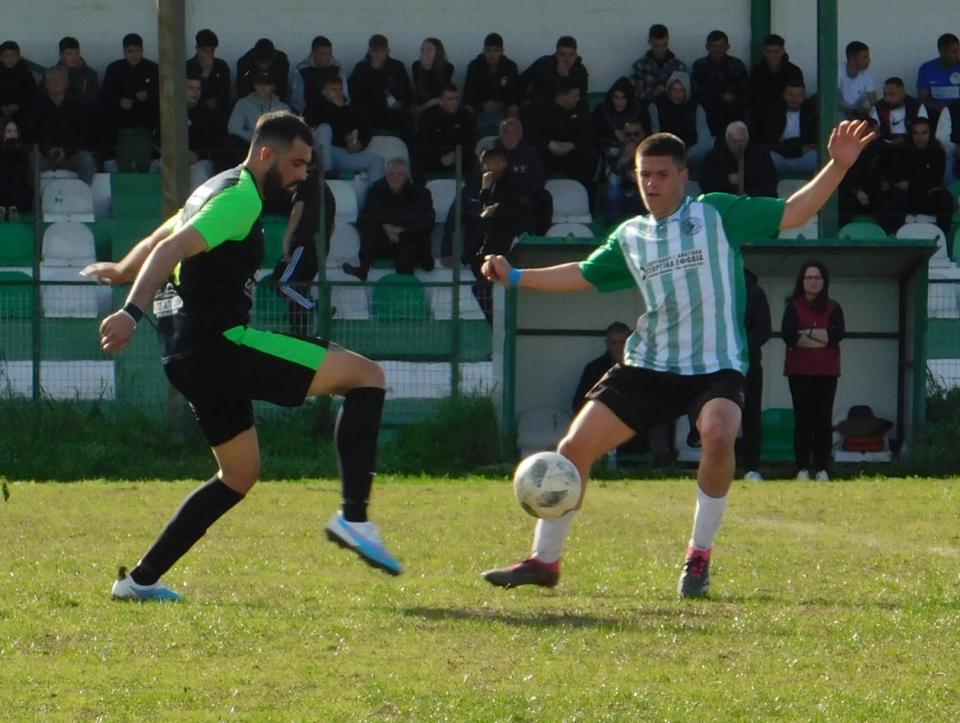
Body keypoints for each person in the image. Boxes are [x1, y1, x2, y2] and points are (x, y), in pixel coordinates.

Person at [479, 120, 875, 598]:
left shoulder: (715, 214)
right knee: (573, 450)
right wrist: (516, 277)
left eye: (662, 174)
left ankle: (698, 557)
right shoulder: (631, 235)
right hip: (649, 364)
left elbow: (794, 212)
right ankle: (545, 560)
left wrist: (839, 165)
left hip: (715, 364)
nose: (650, 183)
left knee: (720, 431)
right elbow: (584, 275)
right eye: (644, 174)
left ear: (683, 177)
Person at [81, 111, 401, 602]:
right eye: (296, 164)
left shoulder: (210, 189)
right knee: (367, 376)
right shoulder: (240, 197)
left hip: (187, 358)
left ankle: (139, 581)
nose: (301, 176)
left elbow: (159, 240)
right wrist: (128, 311)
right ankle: (354, 518)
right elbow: (169, 252)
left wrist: (122, 268)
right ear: (266, 154)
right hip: (220, 345)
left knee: (239, 474)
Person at [781, 261, 845, 482]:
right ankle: (801, 467)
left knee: (823, 420)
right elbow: (789, 335)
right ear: (802, 280)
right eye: (809, 277)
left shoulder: (834, 307)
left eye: (817, 277)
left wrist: (806, 334)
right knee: (803, 420)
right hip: (799, 372)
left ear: (824, 281)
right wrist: (821, 335)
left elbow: (837, 335)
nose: (813, 281)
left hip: (827, 372)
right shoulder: (793, 307)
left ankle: (822, 468)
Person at [343, 157, 435, 280]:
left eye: (400, 174)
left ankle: (405, 291)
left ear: (407, 175)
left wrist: (401, 231)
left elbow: (427, 221)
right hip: (384, 240)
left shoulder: (421, 193)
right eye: (391, 173)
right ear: (385, 175)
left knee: (407, 251)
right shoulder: (376, 191)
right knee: (370, 232)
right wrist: (385, 227)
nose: (395, 178)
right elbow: (364, 220)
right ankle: (363, 270)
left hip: (410, 240)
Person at [278, 157, 336, 335]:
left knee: (282, 284)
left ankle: (316, 307)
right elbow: (332, 225)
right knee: (299, 289)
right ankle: (300, 333)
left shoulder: (306, 180)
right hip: (319, 246)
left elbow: (298, 209)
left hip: (305, 243)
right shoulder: (325, 189)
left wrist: (287, 240)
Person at [22, 65, 97, 184]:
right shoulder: (36, 106)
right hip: (45, 155)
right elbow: (30, 134)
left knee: (86, 159)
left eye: (59, 79)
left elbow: (83, 133)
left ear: (66, 83)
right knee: (33, 158)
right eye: (51, 80)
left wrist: (66, 152)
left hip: (72, 155)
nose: (55, 83)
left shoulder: (78, 105)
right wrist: (47, 151)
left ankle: (85, 196)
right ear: (46, 84)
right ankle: (36, 200)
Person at [522, 78, 597, 195]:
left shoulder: (581, 109)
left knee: (589, 157)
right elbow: (529, 133)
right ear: (562, 96)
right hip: (546, 153)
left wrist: (573, 144)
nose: (577, 99)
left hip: (572, 152)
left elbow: (589, 132)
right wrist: (549, 144)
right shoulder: (539, 110)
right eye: (574, 96)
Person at [309, 74, 384, 186]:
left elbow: (365, 128)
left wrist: (359, 144)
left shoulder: (348, 110)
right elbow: (314, 123)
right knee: (325, 129)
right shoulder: (313, 107)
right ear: (324, 92)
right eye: (333, 90)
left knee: (376, 160)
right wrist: (334, 108)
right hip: (318, 155)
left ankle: (374, 198)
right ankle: (325, 173)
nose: (338, 93)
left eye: (340, 89)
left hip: (341, 153)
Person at [886, 117, 955, 235]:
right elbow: (898, 179)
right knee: (893, 197)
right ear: (911, 135)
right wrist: (919, 180)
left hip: (928, 196)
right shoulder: (902, 152)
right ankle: (895, 236)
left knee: (944, 199)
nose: (920, 137)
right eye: (916, 133)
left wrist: (912, 183)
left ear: (930, 134)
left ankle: (943, 237)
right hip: (907, 197)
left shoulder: (937, 152)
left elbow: (935, 180)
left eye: (924, 133)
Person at [348, 34, 414, 141]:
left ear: (388, 50)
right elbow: (354, 94)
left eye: (382, 51)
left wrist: (400, 103)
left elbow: (408, 93)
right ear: (369, 51)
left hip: (393, 111)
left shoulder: (397, 67)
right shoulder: (361, 68)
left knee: (406, 118)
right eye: (375, 51)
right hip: (369, 111)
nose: (378, 54)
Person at [739, 269, 772, 480]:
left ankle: (751, 468)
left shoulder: (756, 292)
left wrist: (741, 349)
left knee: (751, 416)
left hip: (749, 363)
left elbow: (764, 329)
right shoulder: (713, 288)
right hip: (717, 364)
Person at [648, 71, 713, 172]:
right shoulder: (656, 106)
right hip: (666, 152)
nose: (677, 94)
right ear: (668, 89)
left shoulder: (696, 108)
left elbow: (704, 137)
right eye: (674, 90)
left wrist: (687, 155)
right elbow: (655, 135)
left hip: (690, 152)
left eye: (681, 90)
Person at [691, 30, 749, 138]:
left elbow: (746, 91)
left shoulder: (737, 65)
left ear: (727, 47)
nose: (717, 50)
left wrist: (734, 98)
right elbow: (697, 92)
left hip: (734, 115)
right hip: (708, 117)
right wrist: (719, 96)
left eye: (721, 46)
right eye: (713, 46)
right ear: (707, 47)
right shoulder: (700, 66)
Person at [700, 120, 778, 197]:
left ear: (747, 140)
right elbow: (706, 185)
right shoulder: (714, 157)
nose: (738, 145)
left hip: (754, 202)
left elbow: (770, 184)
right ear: (727, 140)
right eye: (733, 141)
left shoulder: (761, 155)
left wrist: (749, 194)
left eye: (741, 141)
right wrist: (727, 179)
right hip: (725, 202)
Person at [415, 83, 475, 180]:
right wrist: (440, 159)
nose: (455, 102)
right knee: (417, 164)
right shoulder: (428, 116)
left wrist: (456, 155)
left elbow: (470, 141)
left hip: (459, 157)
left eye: (457, 99)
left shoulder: (465, 115)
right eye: (450, 99)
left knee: (475, 163)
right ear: (440, 100)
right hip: (435, 157)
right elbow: (422, 144)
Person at [748, 34, 804, 137]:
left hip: (788, 113)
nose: (772, 55)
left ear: (783, 51)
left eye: (776, 51)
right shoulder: (757, 72)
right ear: (764, 52)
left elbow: (799, 96)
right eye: (768, 51)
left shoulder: (794, 71)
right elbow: (752, 97)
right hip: (762, 115)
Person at [762, 78, 818, 177]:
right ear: (784, 95)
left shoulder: (811, 112)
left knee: (819, 157)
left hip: (804, 157)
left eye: (798, 95)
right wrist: (796, 150)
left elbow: (813, 142)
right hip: (780, 156)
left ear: (804, 96)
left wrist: (799, 149)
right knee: (764, 158)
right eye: (790, 95)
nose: (794, 99)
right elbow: (769, 142)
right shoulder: (774, 111)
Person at [463, 33, 520, 128]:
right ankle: (469, 140)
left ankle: (511, 140)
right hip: (480, 106)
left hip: (502, 106)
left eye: (496, 51)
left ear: (502, 51)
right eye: (488, 50)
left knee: (513, 109)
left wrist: (501, 104)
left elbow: (514, 93)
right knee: (467, 109)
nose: (492, 55)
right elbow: (469, 93)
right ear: (483, 51)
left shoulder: (510, 66)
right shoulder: (474, 66)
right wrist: (482, 105)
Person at [601, 119, 647, 227]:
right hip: (620, 190)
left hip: (641, 191)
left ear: (642, 135)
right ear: (622, 135)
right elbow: (612, 180)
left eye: (636, 134)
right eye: (628, 134)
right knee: (613, 194)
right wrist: (625, 158)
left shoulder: (649, 152)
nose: (632, 138)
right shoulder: (613, 151)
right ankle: (612, 230)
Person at [185, 72, 227, 189]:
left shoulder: (209, 115)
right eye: (190, 88)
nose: (195, 92)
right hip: (173, 157)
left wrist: (198, 155)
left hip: (202, 160)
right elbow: (157, 139)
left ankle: (198, 207)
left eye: (198, 89)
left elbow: (218, 144)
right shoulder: (170, 111)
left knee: (197, 172)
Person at [519, 36, 589, 107]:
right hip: (540, 109)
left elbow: (581, 99)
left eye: (571, 54)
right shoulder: (544, 64)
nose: (567, 59)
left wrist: (565, 78)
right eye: (563, 55)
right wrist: (523, 100)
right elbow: (520, 82)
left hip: (567, 112)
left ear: (576, 55)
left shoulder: (580, 71)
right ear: (556, 54)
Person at [631, 23, 687, 105]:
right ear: (649, 42)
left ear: (668, 41)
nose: (660, 49)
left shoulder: (679, 66)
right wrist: (654, 93)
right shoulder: (639, 66)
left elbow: (686, 95)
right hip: (647, 113)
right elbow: (635, 96)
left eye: (664, 45)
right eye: (656, 46)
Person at [591, 77, 649, 151]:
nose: (619, 102)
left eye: (623, 98)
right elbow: (593, 136)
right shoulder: (601, 110)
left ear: (629, 99)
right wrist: (614, 132)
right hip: (606, 152)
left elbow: (647, 135)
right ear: (611, 97)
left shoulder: (639, 111)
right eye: (616, 97)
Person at [186, 29, 231, 118]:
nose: (208, 54)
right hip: (192, 115)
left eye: (212, 51)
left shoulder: (222, 67)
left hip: (217, 114)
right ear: (197, 48)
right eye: (204, 50)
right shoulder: (187, 67)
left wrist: (217, 101)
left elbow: (226, 94)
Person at [291, 35, 341, 116]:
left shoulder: (337, 68)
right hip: (308, 114)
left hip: (333, 113)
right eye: (323, 54)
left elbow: (344, 96)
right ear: (313, 53)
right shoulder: (301, 70)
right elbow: (298, 100)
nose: (327, 57)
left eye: (330, 53)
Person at [916, 33, 960, 123]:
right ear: (941, 51)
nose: (958, 55)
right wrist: (942, 109)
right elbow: (922, 99)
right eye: (954, 52)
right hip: (937, 114)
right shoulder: (926, 69)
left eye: (959, 51)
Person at [870, 77, 928, 145]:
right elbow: (873, 132)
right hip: (886, 147)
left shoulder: (917, 106)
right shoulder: (878, 107)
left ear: (902, 94)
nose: (887, 99)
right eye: (885, 95)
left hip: (911, 146)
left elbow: (923, 130)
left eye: (891, 94)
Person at [236, 38, 290, 102]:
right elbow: (242, 90)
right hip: (250, 101)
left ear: (274, 56)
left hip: (274, 101)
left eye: (267, 62)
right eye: (261, 62)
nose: (264, 66)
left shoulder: (282, 62)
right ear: (254, 56)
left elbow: (282, 89)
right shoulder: (244, 63)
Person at [412, 38, 454, 117]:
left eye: (429, 50)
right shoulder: (416, 66)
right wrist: (426, 70)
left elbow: (440, 90)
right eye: (422, 50)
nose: (425, 52)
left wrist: (429, 71)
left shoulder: (448, 67)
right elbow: (420, 93)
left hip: (440, 101)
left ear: (438, 52)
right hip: (423, 104)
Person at [55, 36, 99, 108]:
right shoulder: (51, 75)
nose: (74, 57)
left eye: (76, 53)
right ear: (61, 56)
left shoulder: (90, 74)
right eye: (69, 54)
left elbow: (94, 100)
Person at [0, 117, 32, 217]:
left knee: (16, 175)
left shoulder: (24, 150)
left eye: (15, 131)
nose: (12, 134)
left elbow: (25, 171)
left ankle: (13, 208)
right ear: (3, 134)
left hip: (19, 190)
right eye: (9, 131)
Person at [838, 41, 876, 121]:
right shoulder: (837, 72)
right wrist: (855, 112)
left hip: (856, 114)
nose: (869, 60)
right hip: (838, 114)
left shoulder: (867, 74)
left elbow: (873, 102)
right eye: (865, 57)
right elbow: (836, 102)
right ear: (852, 59)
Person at [0, 41, 37, 121]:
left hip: (21, 115)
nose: (10, 58)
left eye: (13, 55)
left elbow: (32, 96)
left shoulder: (26, 75)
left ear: (18, 57)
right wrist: (2, 108)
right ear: (1, 57)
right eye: (6, 55)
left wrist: (18, 106)